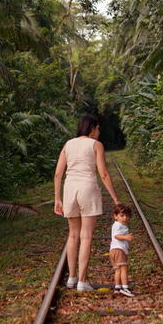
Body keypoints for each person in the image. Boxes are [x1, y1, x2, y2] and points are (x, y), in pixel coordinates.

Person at [54, 114, 121, 292]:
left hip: (70, 190)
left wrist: (58, 199)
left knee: (73, 235)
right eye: (98, 128)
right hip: (88, 189)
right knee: (86, 237)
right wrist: (116, 199)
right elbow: (104, 174)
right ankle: (82, 281)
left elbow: (58, 174)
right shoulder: (96, 145)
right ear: (92, 129)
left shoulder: (68, 144)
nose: (99, 132)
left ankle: (72, 278)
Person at [109, 203, 135, 297]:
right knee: (124, 268)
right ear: (115, 216)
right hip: (119, 249)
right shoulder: (118, 225)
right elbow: (116, 235)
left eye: (127, 216)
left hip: (113, 250)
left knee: (118, 270)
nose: (125, 218)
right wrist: (126, 237)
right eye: (122, 215)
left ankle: (117, 287)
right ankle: (125, 287)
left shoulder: (118, 225)